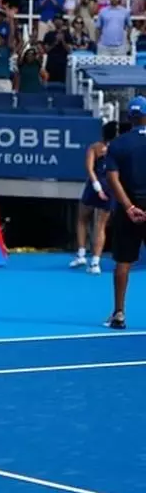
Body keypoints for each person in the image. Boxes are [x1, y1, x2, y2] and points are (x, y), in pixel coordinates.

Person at [104, 97, 146, 330]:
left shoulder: (118, 144)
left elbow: (113, 179)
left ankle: (119, 313)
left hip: (127, 210)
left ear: (129, 117)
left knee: (124, 262)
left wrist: (129, 207)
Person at [69, 122, 118, 275]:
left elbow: (90, 169)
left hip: (94, 187)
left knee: (82, 219)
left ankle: (81, 255)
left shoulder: (95, 147)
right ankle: (95, 263)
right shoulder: (120, 149)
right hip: (110, 187)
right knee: (100, 226)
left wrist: (97, 188)